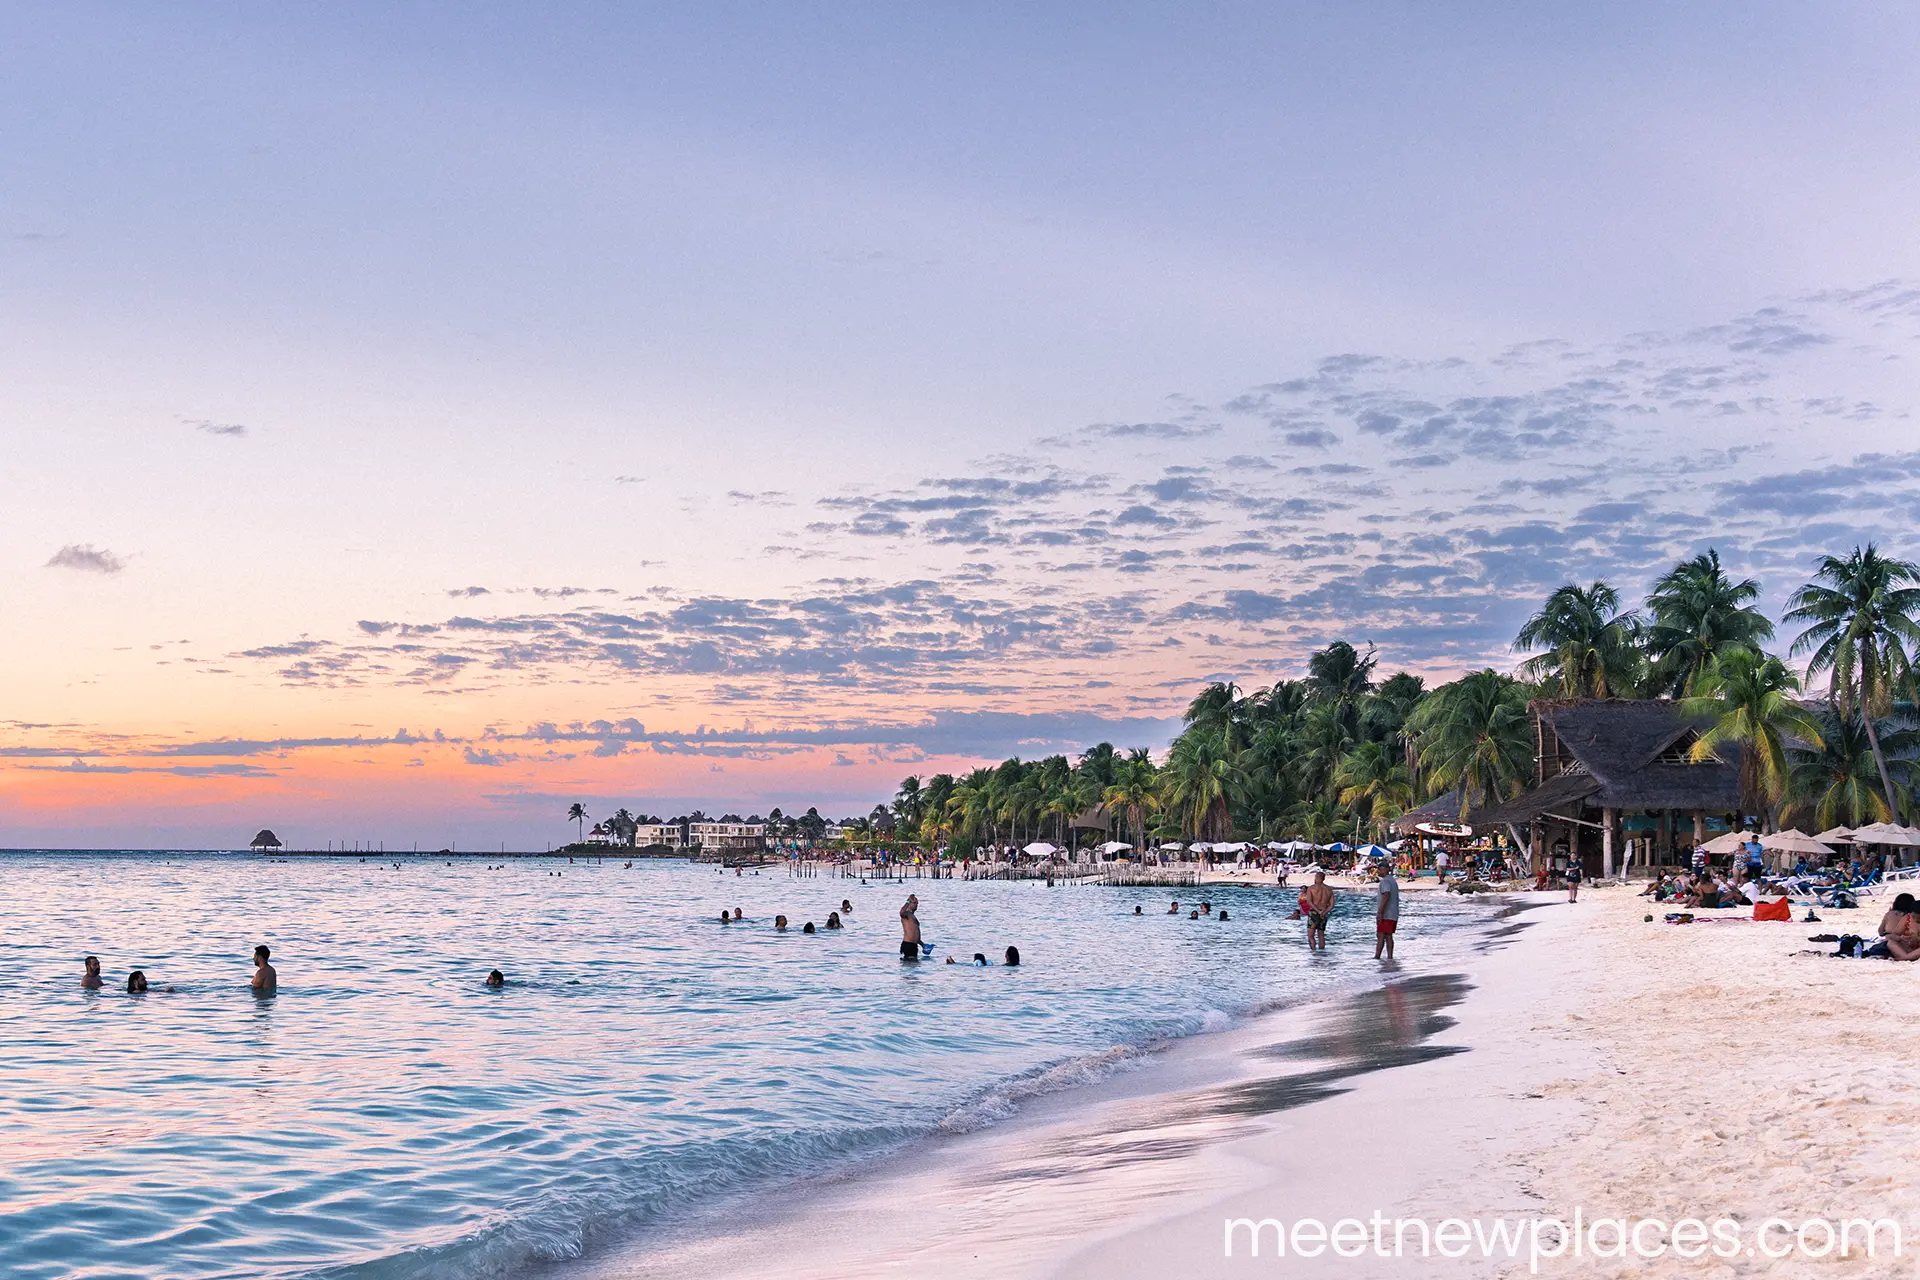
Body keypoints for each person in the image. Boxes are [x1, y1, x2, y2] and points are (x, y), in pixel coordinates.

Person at [1301, 871, 1334, 951]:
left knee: (1310, 935)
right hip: (1324, 914)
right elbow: (1331, 905)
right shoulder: (1329, 889)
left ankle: (1314, 953)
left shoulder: (1311, 888)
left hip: (1314, 913)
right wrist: (1324, 912)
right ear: (1323, 879)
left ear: (1316, 878)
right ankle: (1322, 954)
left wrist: (1318, 911)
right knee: (1321, 935)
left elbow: (1309, 902)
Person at [1374, 862, 1401, 959]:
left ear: (1385, 870)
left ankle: (1377, 957)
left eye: (1379, 869)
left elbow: (1386, 895)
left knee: (1381, 935)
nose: (1378, 871)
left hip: (1386, 913)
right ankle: (1390, 957)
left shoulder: (1385, 881)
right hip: (1393, 913)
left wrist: (1380, 912)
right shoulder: (1392, 880)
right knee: (1389, 935)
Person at [899, 894, 922, 960]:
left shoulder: (913, 916)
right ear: (909, 904)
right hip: (908, 944)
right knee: (909, 965)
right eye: (914, 903)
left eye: (917, 903)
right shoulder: (906, 914)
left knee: (914, 965)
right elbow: (901, 912)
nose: (916, 905)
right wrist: (908, 901)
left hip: (914, 945)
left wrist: (923, 945)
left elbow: (914, 934)